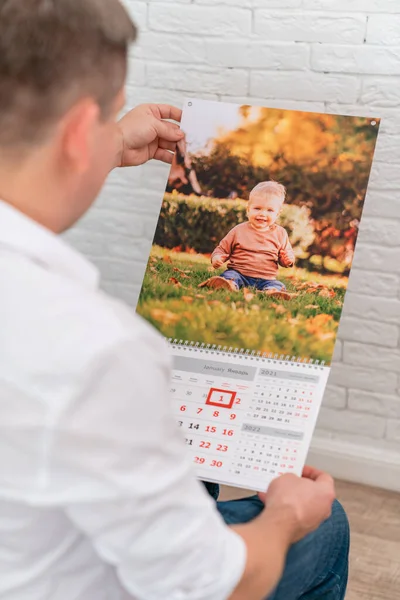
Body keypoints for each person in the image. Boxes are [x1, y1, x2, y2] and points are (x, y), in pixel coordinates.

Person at [0, 2, 349, 600]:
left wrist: (105, 146)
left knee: (194, 474)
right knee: (327, 526)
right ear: (81, 131)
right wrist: (288, 514)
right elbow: (214, 585)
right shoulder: (96, 349)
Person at [200, 181, 296, 301]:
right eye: (257, 208)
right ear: (248, 210)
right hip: (239, 273)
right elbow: (222, 249)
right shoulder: (238, 230)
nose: (262, 214)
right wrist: (217, 258)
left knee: (278, 285)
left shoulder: (280, 233)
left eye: (270, 210)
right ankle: (229, 285)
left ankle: (271, 292)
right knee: (230, 276)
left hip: (267, 279)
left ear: (277, 214)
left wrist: (288, 260)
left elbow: (285, 256)